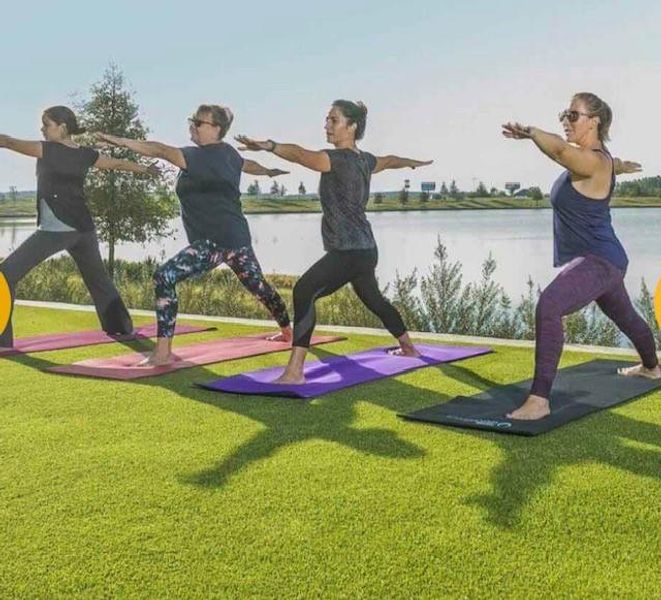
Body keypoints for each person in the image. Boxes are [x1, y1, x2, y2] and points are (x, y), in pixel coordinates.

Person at [236, 99, 433, 384]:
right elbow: (389, 160)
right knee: (374, 299)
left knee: (304, 291)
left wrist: (269, 146)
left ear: (351, 126)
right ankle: (408, 348)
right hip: (365, 250)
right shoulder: (364, 160)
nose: (327, 125)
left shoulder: (336, 159)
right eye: (327, 119)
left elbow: (301, 155)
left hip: (348, 251)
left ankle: (294, 372)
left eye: (333, 120)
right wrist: (411, 163)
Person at [502, 92, 660, 420]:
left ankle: (539, 401)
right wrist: (623, 166)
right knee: (626, 317)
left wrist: (530, 131)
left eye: (573, 115)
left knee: (549, 306)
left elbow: (560, 151)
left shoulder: (590, 160)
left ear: (595, 121)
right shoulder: (599, 160)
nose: (565, 120)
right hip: (607, 260)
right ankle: (653, 367)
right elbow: (599, 162)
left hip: (599, 260)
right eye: (564, 113)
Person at [97, 104, 292, 366]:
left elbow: (159, 150)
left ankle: (164, 353)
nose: (192, 125)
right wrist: (267, 171)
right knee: (259, 287)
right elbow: (248, 164)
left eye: (198, 123)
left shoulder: (198, 156)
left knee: (164, 277)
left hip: (215, 241)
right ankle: (288, 331)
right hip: (236, 238)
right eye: (192, 120)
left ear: (216, 129)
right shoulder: (228, 154)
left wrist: (117, 140)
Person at [0, 105, 157, 347]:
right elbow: (116, 164)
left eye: (46, 124)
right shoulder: (85, 153)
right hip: (84, 229)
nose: (42, 129)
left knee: (5, 273)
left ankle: (2, 340)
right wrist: (145, 169)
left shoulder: (47, 149)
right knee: (99, 281)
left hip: (56, 230)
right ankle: (122, 328)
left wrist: (144, 168)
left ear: (62, 127)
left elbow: (8, 142)